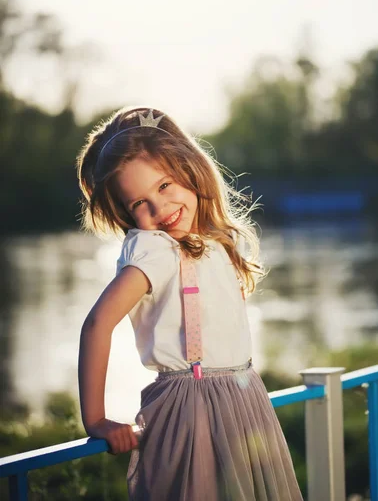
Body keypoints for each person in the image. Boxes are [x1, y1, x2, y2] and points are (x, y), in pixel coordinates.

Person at [76, 106, 303, 501]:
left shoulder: (211, 240)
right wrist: (95, 419)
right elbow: (98, 324)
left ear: (190, 169)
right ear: (125, 213)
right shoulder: (155, 248)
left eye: (164, 186)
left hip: (242, 398)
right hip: (193, 408)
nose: (158, 209)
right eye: (138, 203)